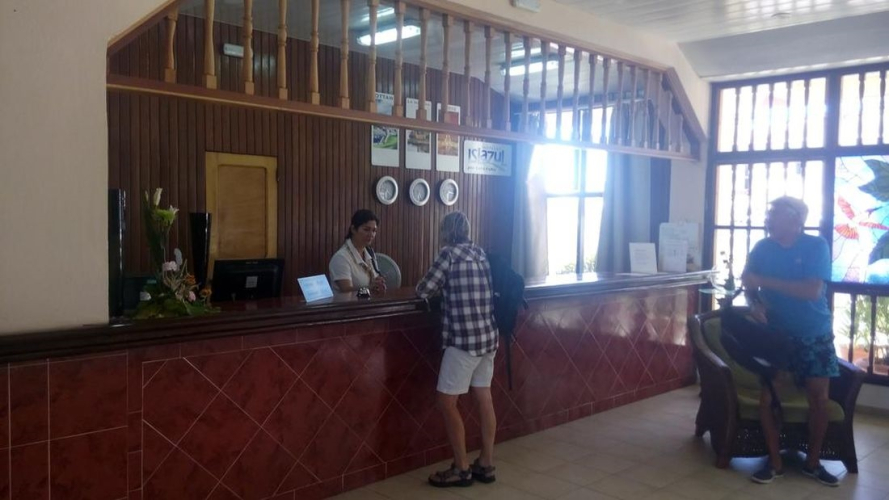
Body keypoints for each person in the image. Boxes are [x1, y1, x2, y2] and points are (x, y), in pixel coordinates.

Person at [742, 196, 840, 487]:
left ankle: (813, 462)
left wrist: (764, 281)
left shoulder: (816, 246)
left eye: (775, 214)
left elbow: (811, 291)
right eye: (768, 213)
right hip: (776, 337)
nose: (768, 219)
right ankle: (774, 463)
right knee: (768, 399)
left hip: (814, 334)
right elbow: (749, 284)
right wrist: (754, 304)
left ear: (796, 219)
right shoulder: (762, 248)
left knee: (819, 400)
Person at [416, 211, 498, 488]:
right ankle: (486, 463)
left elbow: (423, 289)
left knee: (446, 402)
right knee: (484, 397)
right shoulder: (480, 254)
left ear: (446, 231)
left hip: (463, 340)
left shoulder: (449, 254)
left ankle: (462, 468)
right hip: (488, 337)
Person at [329, 209, 387, 294]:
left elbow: (373, 280)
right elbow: (346, 291)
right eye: (366, 229)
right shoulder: (341, 258)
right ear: (353, 229)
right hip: (347, 303)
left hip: (369, 301)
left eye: (374, 231)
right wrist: (370, 288)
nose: (371, 234)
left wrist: (378, 282)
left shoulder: (370, 253)